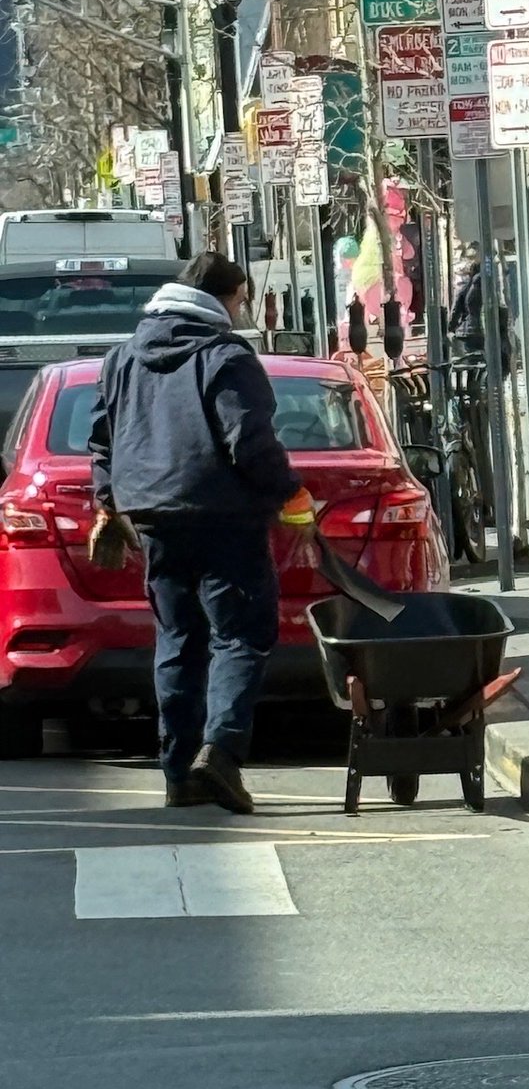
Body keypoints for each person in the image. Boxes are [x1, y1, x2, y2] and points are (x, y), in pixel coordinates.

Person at [89, 252, 315, 814]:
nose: (242, 311)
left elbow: (102, 442)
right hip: (225, 517)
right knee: (239, 636)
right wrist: (289, 490)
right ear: (223, 298)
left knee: (177, 640)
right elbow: (249, 441)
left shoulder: (123, 357)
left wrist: (108, 504)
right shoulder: (226, 355)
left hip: (153, 517)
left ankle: (176, 774)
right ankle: (221, 755)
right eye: (240, 300)